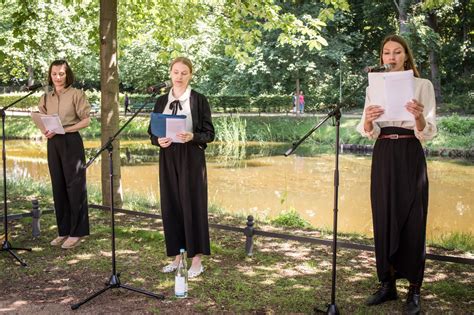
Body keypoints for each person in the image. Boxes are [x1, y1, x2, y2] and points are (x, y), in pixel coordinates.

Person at [356, 34, 437, 314]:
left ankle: (414, 289)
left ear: (406, 56)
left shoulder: (422, 85)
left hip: (410, 152)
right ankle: (387, 285)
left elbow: (428, 132)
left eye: (397, 52)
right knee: (384, 216)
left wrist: (418, 117)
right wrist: (367, 120)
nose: (391, 57)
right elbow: (369, 130)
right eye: (386, 52)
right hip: (383, 154)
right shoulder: (374, 87)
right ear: (382, 58)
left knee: (414, 219)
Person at [148, 57, 215, 278]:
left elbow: (210, 134)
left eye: (184, 73)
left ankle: (196, 261)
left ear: (190, 75)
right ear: (170, 73)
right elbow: (152, 132)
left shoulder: (198, 100)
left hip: (191, 158)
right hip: (167, 156)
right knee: (171, 205)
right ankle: (177, 258)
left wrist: (192, 136)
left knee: (192, 205)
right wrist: (158, 140)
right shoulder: (160, 100)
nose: (179, 76)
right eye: (175, 72)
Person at [38, 59, 91, 249]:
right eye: (54, 74)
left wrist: (66, 129)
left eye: (61, 73)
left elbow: (86, 121)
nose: (58, 77)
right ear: (50, 75)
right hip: (54, 143)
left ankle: (77, 232)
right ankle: (64, 230)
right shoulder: (46, 97)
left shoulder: (77, 94)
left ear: (68, 74)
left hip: (71, 141)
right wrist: (45, 129)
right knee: (58, 186)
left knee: (75, 187)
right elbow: (42, 118)